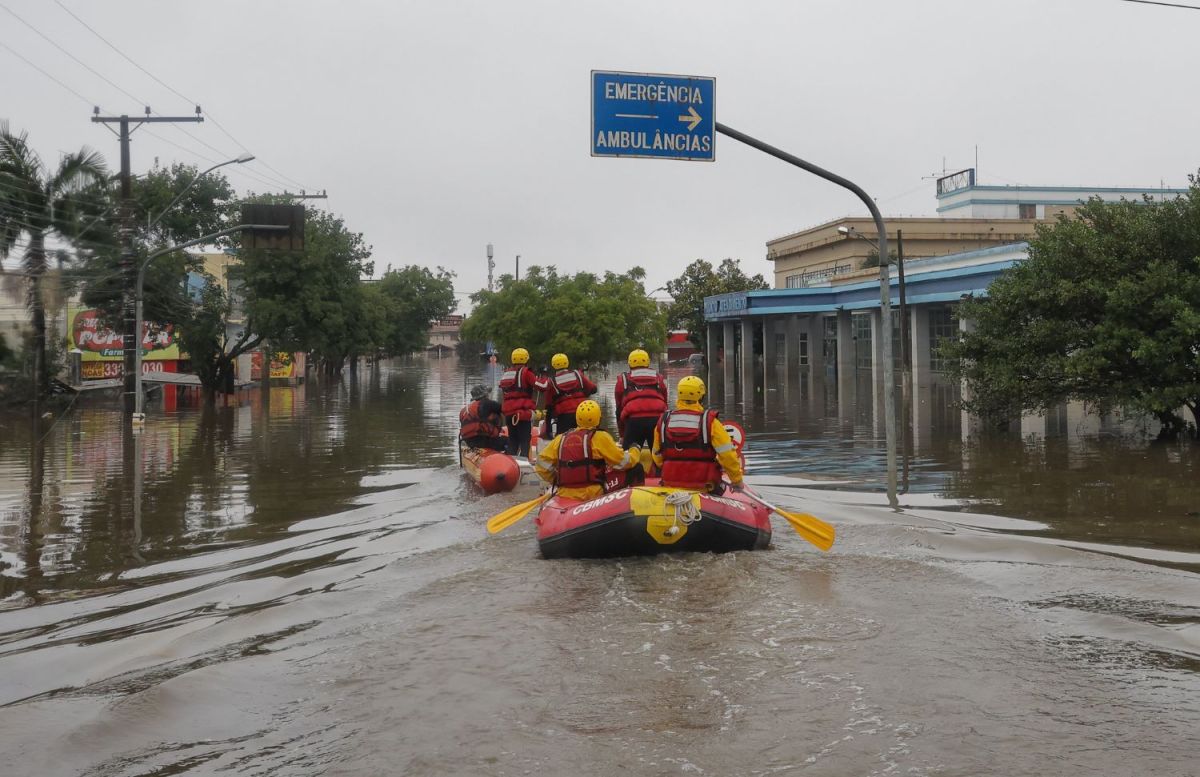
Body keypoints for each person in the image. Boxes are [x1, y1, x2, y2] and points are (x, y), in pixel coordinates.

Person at [652, 375, 744, 492]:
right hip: (705, 486)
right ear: (701, 396)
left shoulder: (664, 421)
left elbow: (656, 455)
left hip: (670, 483)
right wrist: (737, 480)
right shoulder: (711, 423)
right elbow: (728, 456)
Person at [535, 400, 640, 501]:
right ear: (598, 419)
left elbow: (540, 464)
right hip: (592, 494)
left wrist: (556, 478)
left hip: (565, 494)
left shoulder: (560, 439)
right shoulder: (600, 437)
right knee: (636, 468)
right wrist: (635, 450)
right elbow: (623, 462)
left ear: (577, 418)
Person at [614, 348, 668, 449]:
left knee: (630, 456)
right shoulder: (659, 378)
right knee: (658, 454)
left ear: (630, 364)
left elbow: (619, 410)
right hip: (656, 420)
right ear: (648, 363)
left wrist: (622, 435)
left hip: (633, 422)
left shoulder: (623, 380)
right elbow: (665, 401)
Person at [498, 347, 540, 456]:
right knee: (525, 440)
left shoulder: (506, 374)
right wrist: (544, 377)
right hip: (522, 413)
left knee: (513, 440)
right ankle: (524, 464)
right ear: (526, 359)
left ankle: (511, 464)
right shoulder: (526, 373)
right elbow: (541, 386)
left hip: (509, 413)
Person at [542, 353, 597, 436]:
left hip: (564, 416)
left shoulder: (551, 382)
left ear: (553, 365)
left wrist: (548, 430)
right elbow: (593, 389)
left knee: (563, 440)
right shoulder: (578, 374)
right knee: (585, 437)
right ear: (567, 362)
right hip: (582, 412)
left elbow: (549, 406)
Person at [459, 384, 506, 452]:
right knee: (510, 441)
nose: (489, 395)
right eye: (488, 393)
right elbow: (505, 409)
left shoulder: (464, 410)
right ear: (485, 395)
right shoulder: (487, 404)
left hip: (468, 441)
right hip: (483, 440)